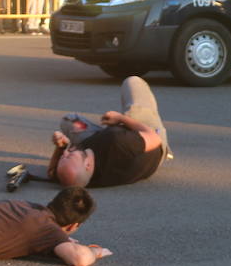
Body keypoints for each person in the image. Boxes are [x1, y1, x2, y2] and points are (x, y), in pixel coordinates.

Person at [18, 76, 171, 189]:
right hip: (149, 139)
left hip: (112, 141)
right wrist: (120, 118)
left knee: (69, 120)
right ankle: (166, 150)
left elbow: (52, 173)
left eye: (63, 158)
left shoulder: (76, 178)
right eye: (69, 155)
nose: (65, 153)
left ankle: (112, 127)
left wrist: (60, 147)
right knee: (132, 82)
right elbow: (154, 138)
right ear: (88, 165)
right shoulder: (117, 142)